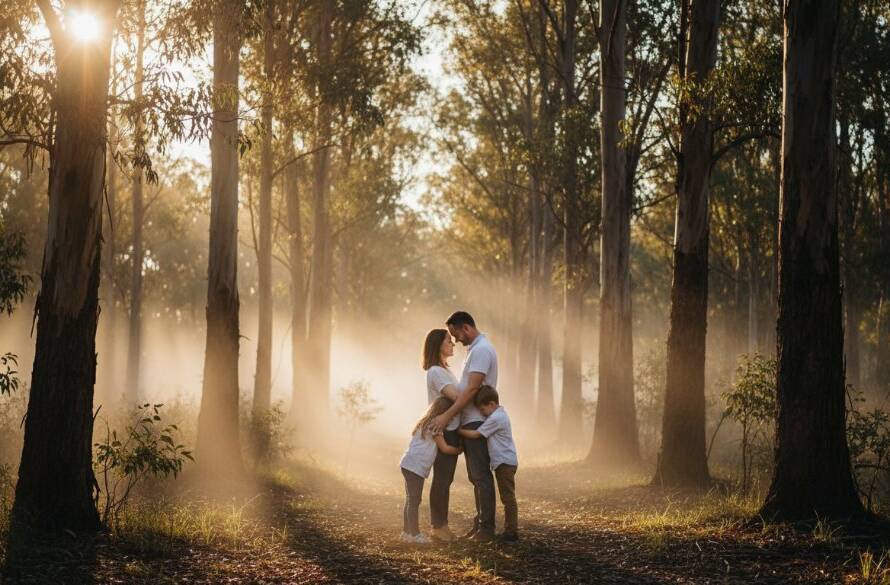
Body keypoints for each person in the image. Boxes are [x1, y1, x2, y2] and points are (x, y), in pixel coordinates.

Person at [432, 311, 498, 542]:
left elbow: (471, 390)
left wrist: (448, 414)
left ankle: (487, 529)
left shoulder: (481, 350)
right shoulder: (476, 351)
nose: (456, 340)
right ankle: (480, 526)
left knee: (480, 476)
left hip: (476, 421)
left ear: (466, 328)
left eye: (455, 334)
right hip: (469, 420)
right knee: (476, 476)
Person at [459, 385, 519, 541]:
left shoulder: (497, 418)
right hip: (503, 462)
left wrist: (458, 431)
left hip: (505, 463)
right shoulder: (498, 415)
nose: (482, 414)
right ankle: (509, 530)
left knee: (508, 498)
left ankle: (511, 532)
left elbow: (476, 434)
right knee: (507, 497)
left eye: (483, 410)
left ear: (492, 404)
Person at [399, 397, 463, 543]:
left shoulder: (425, 421)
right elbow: (445, 448)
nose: (450, 419)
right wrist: (459, 449)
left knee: (410, 499)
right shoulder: (435, 425)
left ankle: (406, 532)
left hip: (408, 463)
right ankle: (414, 534)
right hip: (415, 466)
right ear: (443, 413)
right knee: (414, 500)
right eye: (450, 415)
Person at [421, 329, 461, 542]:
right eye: (449, 341)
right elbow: (455, 397)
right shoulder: (435, 372)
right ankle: (438, 527)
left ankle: (442, 525)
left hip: (452, 428)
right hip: (443, 431)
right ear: (438, 345)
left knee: (446, 479)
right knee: (442, 480)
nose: (453, 344)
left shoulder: (446, 370)